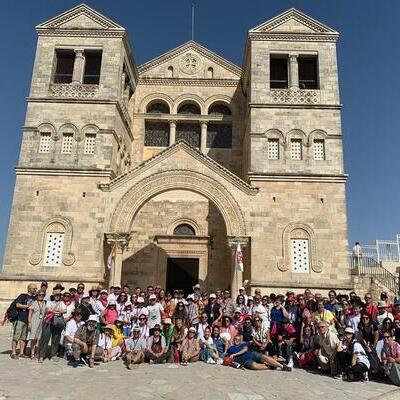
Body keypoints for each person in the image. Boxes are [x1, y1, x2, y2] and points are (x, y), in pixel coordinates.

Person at [225, 335, 291, 371]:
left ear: (240, 340)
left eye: (238, 339)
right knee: (254, 366)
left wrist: (235, 354)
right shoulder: (230, 348)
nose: (237, 340)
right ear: (233, 340)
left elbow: (245, 349)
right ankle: (271, 367)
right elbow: (226, 357)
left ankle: (282, 366)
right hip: (244, 361)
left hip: (251, 354)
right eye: (235, 339)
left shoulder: (243, 344)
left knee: (264, 357)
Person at [38, 288, 67, 363]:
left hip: (58, 322)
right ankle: (41, 355)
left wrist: (55, 310)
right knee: (45, 338)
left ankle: (53, 354)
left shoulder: (62, 303)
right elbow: (48, 309)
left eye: (59, 295)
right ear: (53, 296)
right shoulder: (49, 302)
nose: (57, 296)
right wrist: (58, 310)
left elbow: (65, 310)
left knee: (56, 338)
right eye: (56, 295)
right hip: (48, 321)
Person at [10, 283, 37, 359]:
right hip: (20, 319)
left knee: (24, 338)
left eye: (36, 288)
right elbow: (17, 305)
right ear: (29, 289)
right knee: (16, 336)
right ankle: (13, 353)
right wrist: (27, 306)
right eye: (33, 288)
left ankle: (21, 353)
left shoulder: (35, 298)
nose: (35, 290)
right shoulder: (23, 296)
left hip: (27, 320)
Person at [27, 289, 46, 359]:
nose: (41, 296)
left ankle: (37, 353)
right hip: (34, 322)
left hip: (42, 323)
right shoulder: (34, 303)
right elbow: (30, 314)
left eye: (43, 295)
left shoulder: (45, 303)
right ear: (37, 295)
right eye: (39, 295)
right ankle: (32, 353)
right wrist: (29, 322)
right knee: (33, 339)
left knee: (39, 339)